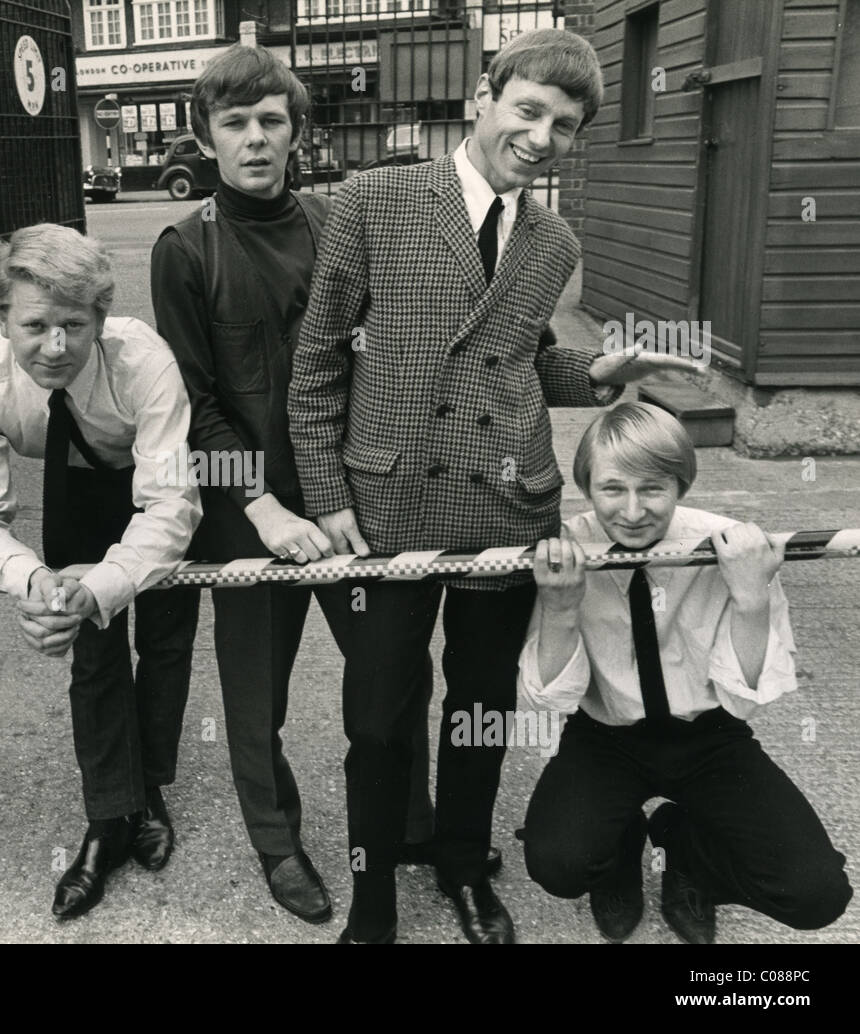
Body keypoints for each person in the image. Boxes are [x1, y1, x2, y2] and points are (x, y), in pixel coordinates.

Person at [288, 28, 693, 944]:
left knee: (479, 706)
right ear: (484, 94)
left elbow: (515, 362)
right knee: (378, 718)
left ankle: (465, 864)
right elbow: (317, 361)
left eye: (566, 124)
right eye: (530, 109)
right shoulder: (373, 200)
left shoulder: (552, 240)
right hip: (387, 502)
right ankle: (373, 901)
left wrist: (593, 373)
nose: (544, 136)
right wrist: (327, 493)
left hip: (504, 500)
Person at [0, 222, 201, 920]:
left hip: (149, 475)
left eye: (73, 326)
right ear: (1, 317)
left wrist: (109, 579)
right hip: (75, 484)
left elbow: (172, 502)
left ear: (101, 317)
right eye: (34, 326)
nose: (54, 347)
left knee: (167, 641)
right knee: (93, 655)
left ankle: (152, 788)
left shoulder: (144, 359)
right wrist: (43, 586)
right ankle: (111, 817)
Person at [519, 402, 852, 943]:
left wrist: (751, 599)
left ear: (681, 484)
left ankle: (687, 853)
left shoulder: (731, 545)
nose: (631, 511)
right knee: (558, 863)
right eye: (612, 489)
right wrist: (559, 608)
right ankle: (621, 848)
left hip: (709, 737)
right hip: (606, 736)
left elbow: (747, 693)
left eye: (652, 488)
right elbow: (548, 698)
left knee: (816, 894)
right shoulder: (563, 549)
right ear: (585, 486)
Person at [149, 44, 350, 924]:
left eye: (273, 121)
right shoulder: (183, 249)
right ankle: (279, 846)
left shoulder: (339, 229)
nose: (256, 139)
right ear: (207, 137)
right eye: (235, 124)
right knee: (254, 697)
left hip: (347, 500)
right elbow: (193, 403)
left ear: (297, 133)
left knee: (390, 679)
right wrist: (259, 504)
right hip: (245, 514)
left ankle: (410, 822)